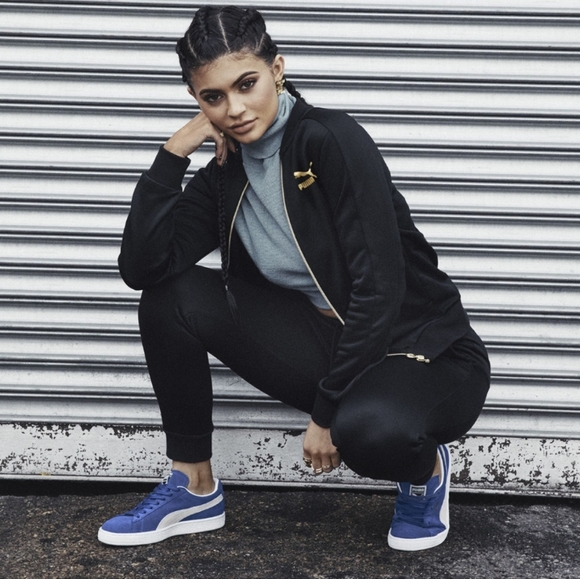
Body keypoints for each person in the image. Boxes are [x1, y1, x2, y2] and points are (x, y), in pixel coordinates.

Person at [98, 5, 490, 551]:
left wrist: (326, 414)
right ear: (196, 100)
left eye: (247, 84)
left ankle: (424, 472)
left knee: (368, 433)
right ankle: (193, 485)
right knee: (171, 298)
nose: (235, 109)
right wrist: (174, 153)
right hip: (327, 341)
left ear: (277, 69)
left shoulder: (330, 139)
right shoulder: (225, 172)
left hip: (423, 350)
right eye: (213, 97)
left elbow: (380, 290)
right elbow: (143, 269)